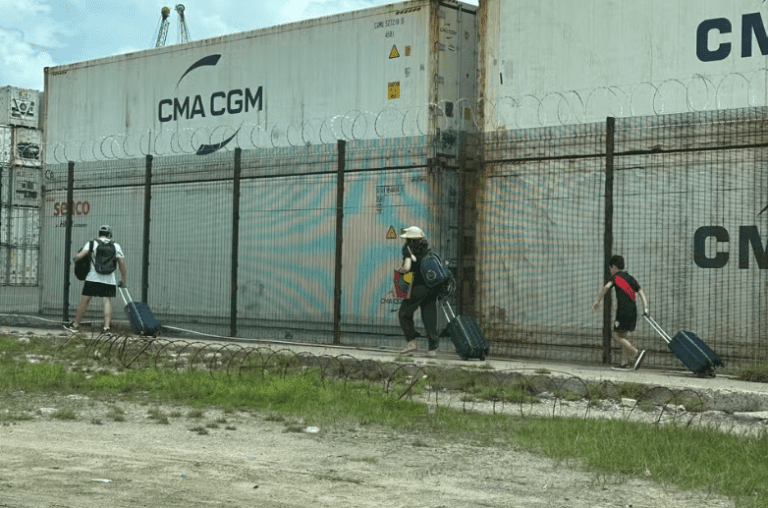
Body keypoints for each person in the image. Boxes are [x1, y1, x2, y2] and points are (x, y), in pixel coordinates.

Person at [65, 225, 127, 334]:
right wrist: (123, 280)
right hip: (109, 279)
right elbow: (122, 264)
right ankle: (107, 328)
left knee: (85, 300)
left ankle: (75, 325)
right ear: (109, 235)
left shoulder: (92, 244)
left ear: (99, 234)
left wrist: (76, 258)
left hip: (92, 278)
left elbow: (78, 257)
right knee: (106, 301)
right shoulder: (116, 246)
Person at [592, 255, 648, 370]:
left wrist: (598, 301)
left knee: (616, 335)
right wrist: (646, 307)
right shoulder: (630, 278)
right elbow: (641, 291)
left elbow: (606, 288)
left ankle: (636, 352)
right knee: (623, 336)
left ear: (613, 267)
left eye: (610, 268)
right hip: (633, 310)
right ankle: (624, 363)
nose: (610, 271)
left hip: (622, 311)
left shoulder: (616, 277)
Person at [397, 226, 440, 357]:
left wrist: (402, 270)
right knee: (429, 317)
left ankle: (411, 342)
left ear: (410, 239)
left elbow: (407, 267)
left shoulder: (407, 249)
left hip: (418, 287)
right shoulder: (426, 248)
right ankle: (432, 349)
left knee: (404, 313)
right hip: (432, 287)